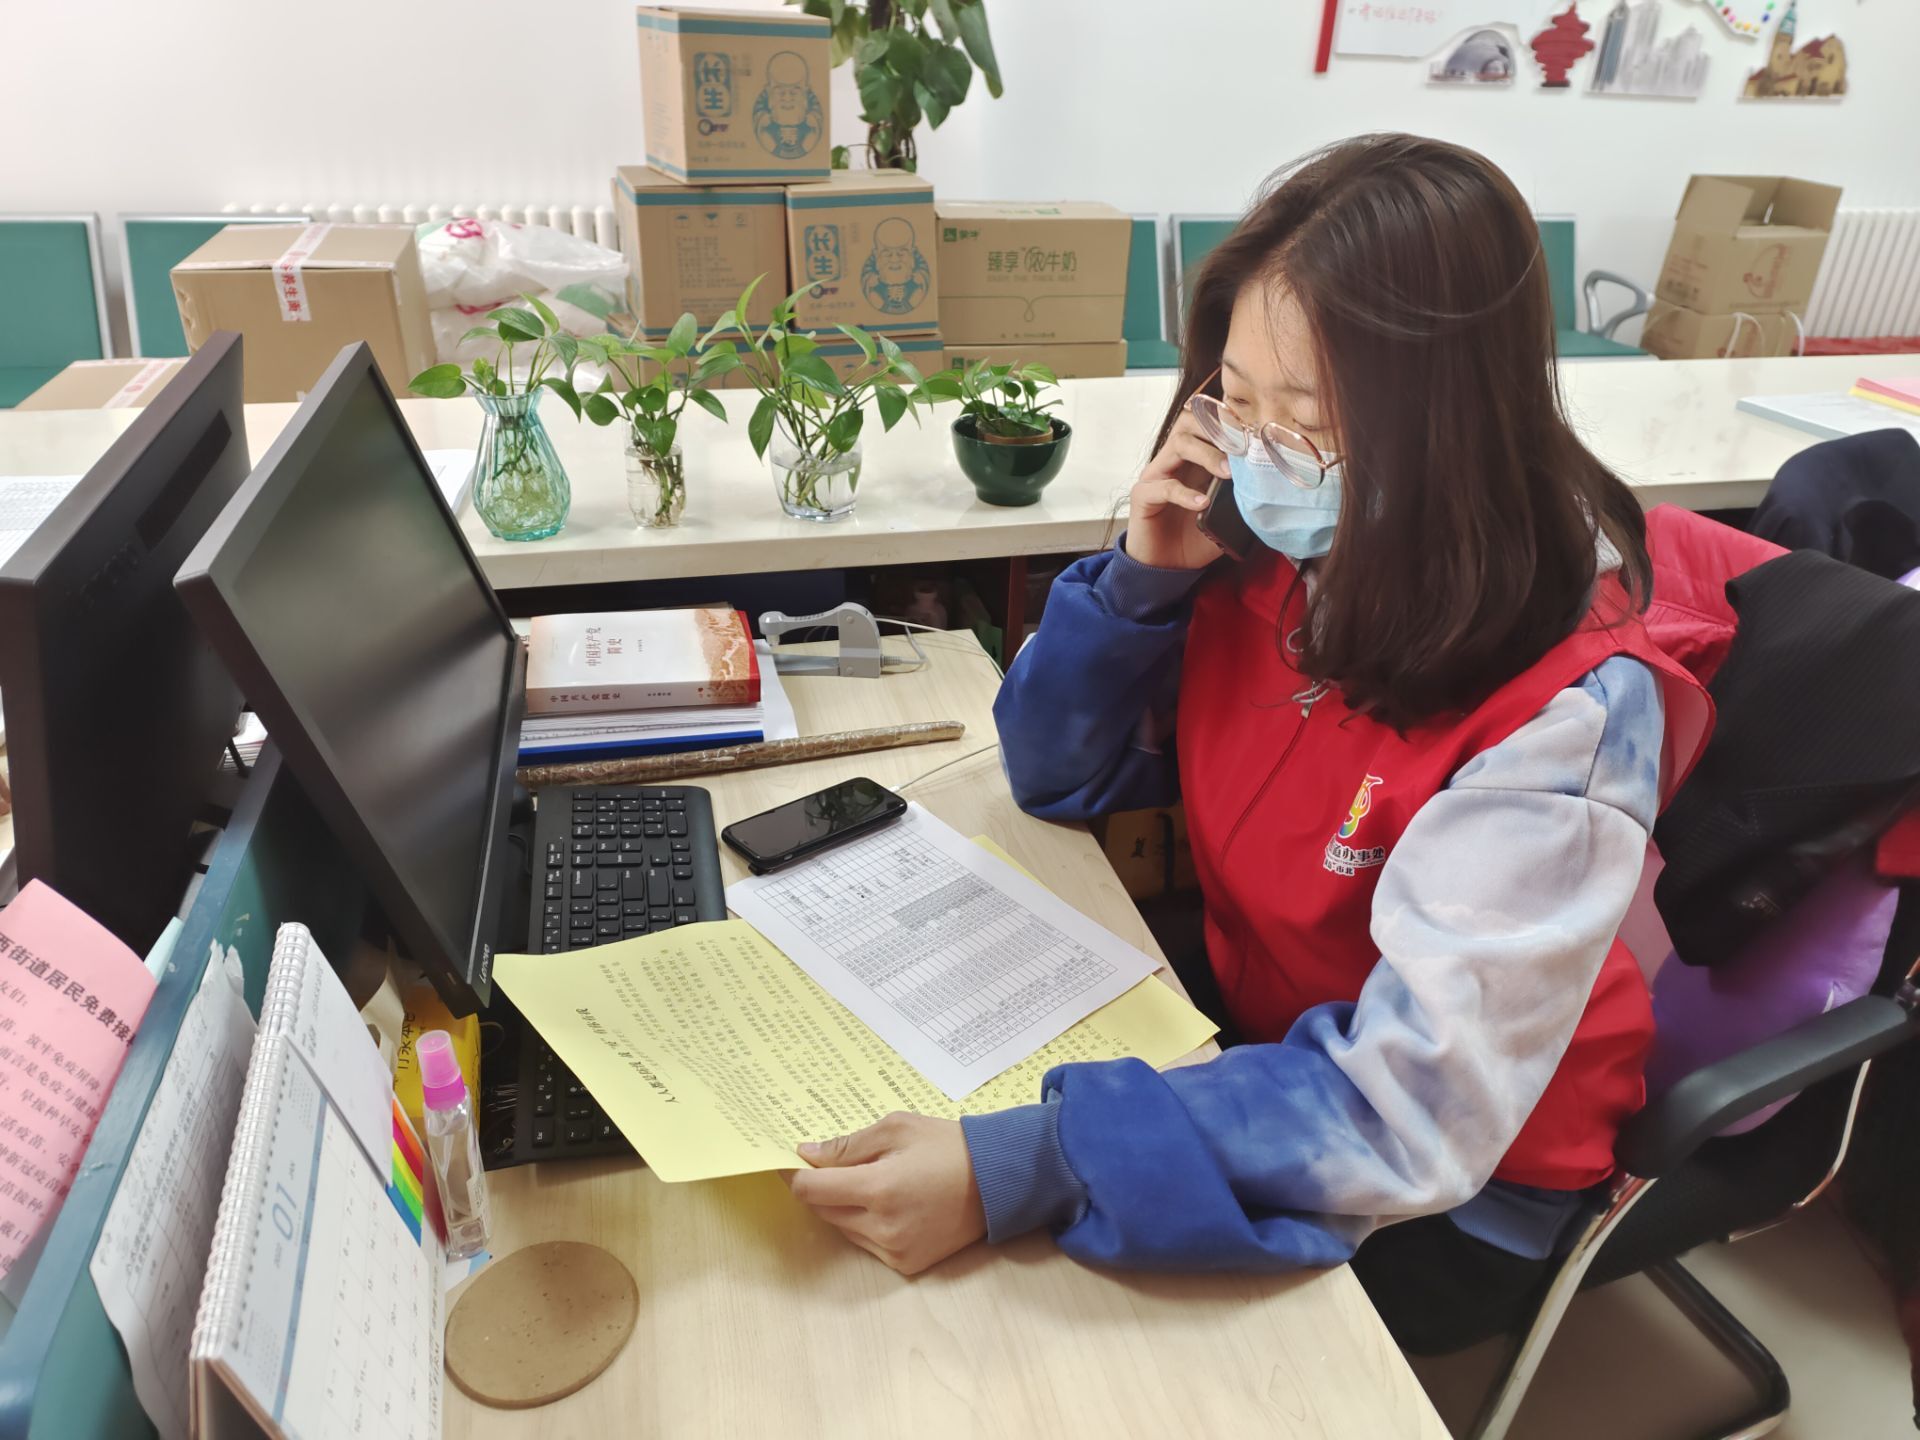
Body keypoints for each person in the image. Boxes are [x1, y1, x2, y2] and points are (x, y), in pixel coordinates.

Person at [783, 133, 1712, 1353]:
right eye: (1238, 396)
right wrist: (1141, 583)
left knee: (1000, 1331)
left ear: (1449, 429)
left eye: (1306, 416)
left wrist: (1040, 1157)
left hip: (1459, 1177)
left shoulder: (1568, 712)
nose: (1257, 450)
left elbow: (1410, 1113)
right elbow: (1054, 775)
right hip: (1259, 1038)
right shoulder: (1276, 548)